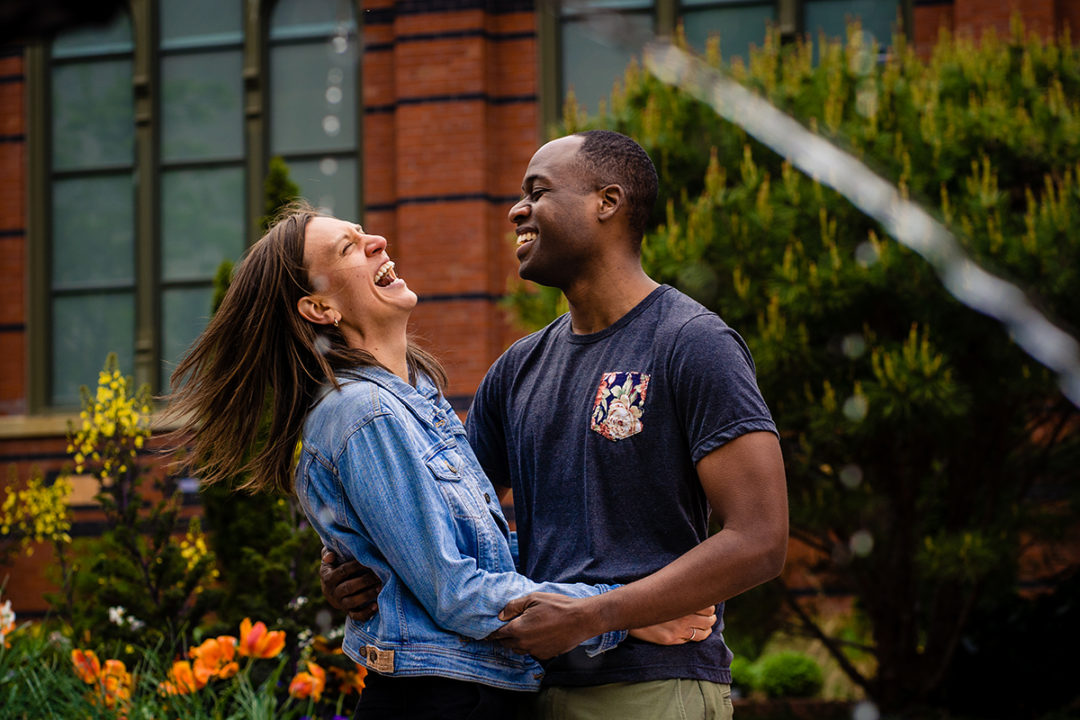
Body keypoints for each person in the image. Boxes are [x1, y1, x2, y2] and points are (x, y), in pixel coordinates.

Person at [164, 201, 713, 720]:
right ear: (320, 308)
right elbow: (459, 592)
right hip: (442, 700)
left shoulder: (417, 399)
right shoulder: (366, 414)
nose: (377, 241)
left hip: (471, 692)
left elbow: (477, 557)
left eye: (364, 233)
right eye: (350, 248)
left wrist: (636, 592)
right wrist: (628, 613)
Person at [323, 130, 789, 719]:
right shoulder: (517, 369)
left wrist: (600, 614)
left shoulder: (692, 344)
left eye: (538, 192)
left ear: (607, 202)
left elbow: (760, 541)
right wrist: (355, 566)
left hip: (649, 688)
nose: (518, 209)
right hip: (523, 687)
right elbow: (449, 523)